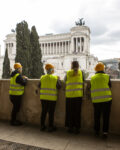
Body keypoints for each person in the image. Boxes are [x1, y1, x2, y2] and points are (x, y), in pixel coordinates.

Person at [90, 62, 112, 138]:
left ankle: (96, 131)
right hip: (107, 100)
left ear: (96, 69)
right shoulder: (107, 76)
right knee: (106, 117)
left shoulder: (92, 78)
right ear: (103, 69)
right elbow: (110, 86)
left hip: (96, 100)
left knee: (97, 116)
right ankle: (105, 132)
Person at [39, 64, 61, 132]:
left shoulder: (42, 77)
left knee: (43, 112)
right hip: (52, 98)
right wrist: (59, 80)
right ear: (51, 70)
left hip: (43, 98)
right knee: (51, 113)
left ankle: (42, 126)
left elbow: (39, 85)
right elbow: (59, 87)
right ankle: (50, 127)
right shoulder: (55, 78)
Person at [64, 61, 84, 134]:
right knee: (77, 113)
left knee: (69, 112)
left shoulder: (68, 73)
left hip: (69, 96)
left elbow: (64, 81)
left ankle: (70, 127)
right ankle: (77, 128)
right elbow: (83, 82)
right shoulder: (81, 73)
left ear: (71, 66)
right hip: (78, 96)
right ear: (78, 66)